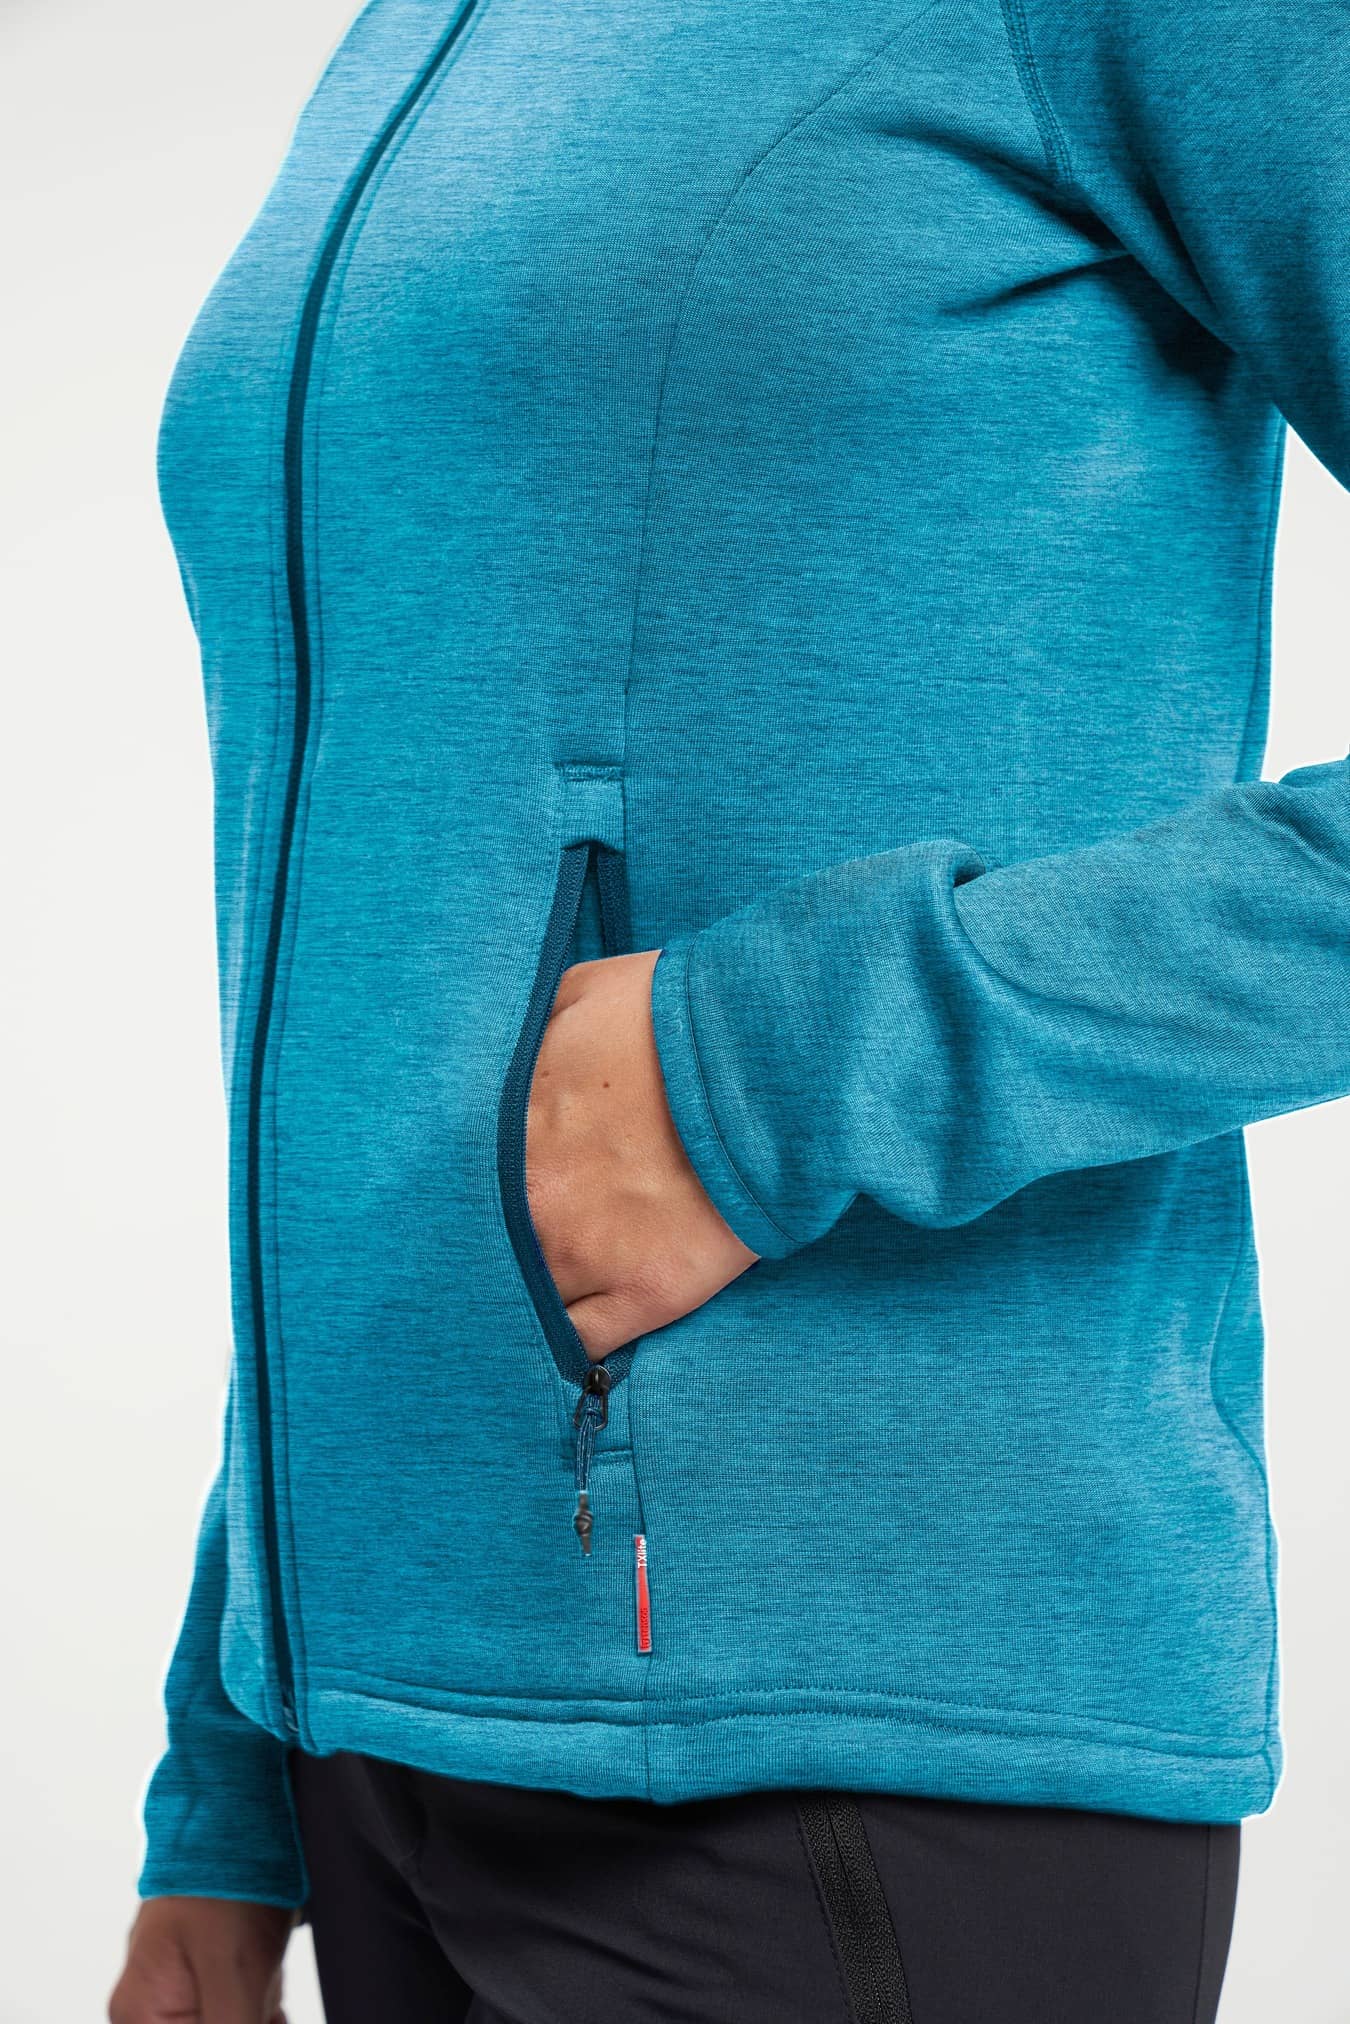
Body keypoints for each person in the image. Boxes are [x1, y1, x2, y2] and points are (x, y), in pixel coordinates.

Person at [109, 0, 1350, 2015]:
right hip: (374, 1759)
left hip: (852, 1759)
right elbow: (409, 983)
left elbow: (609, 1091)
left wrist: (772, 1073)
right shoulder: (422, 36)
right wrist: (231, 1754)